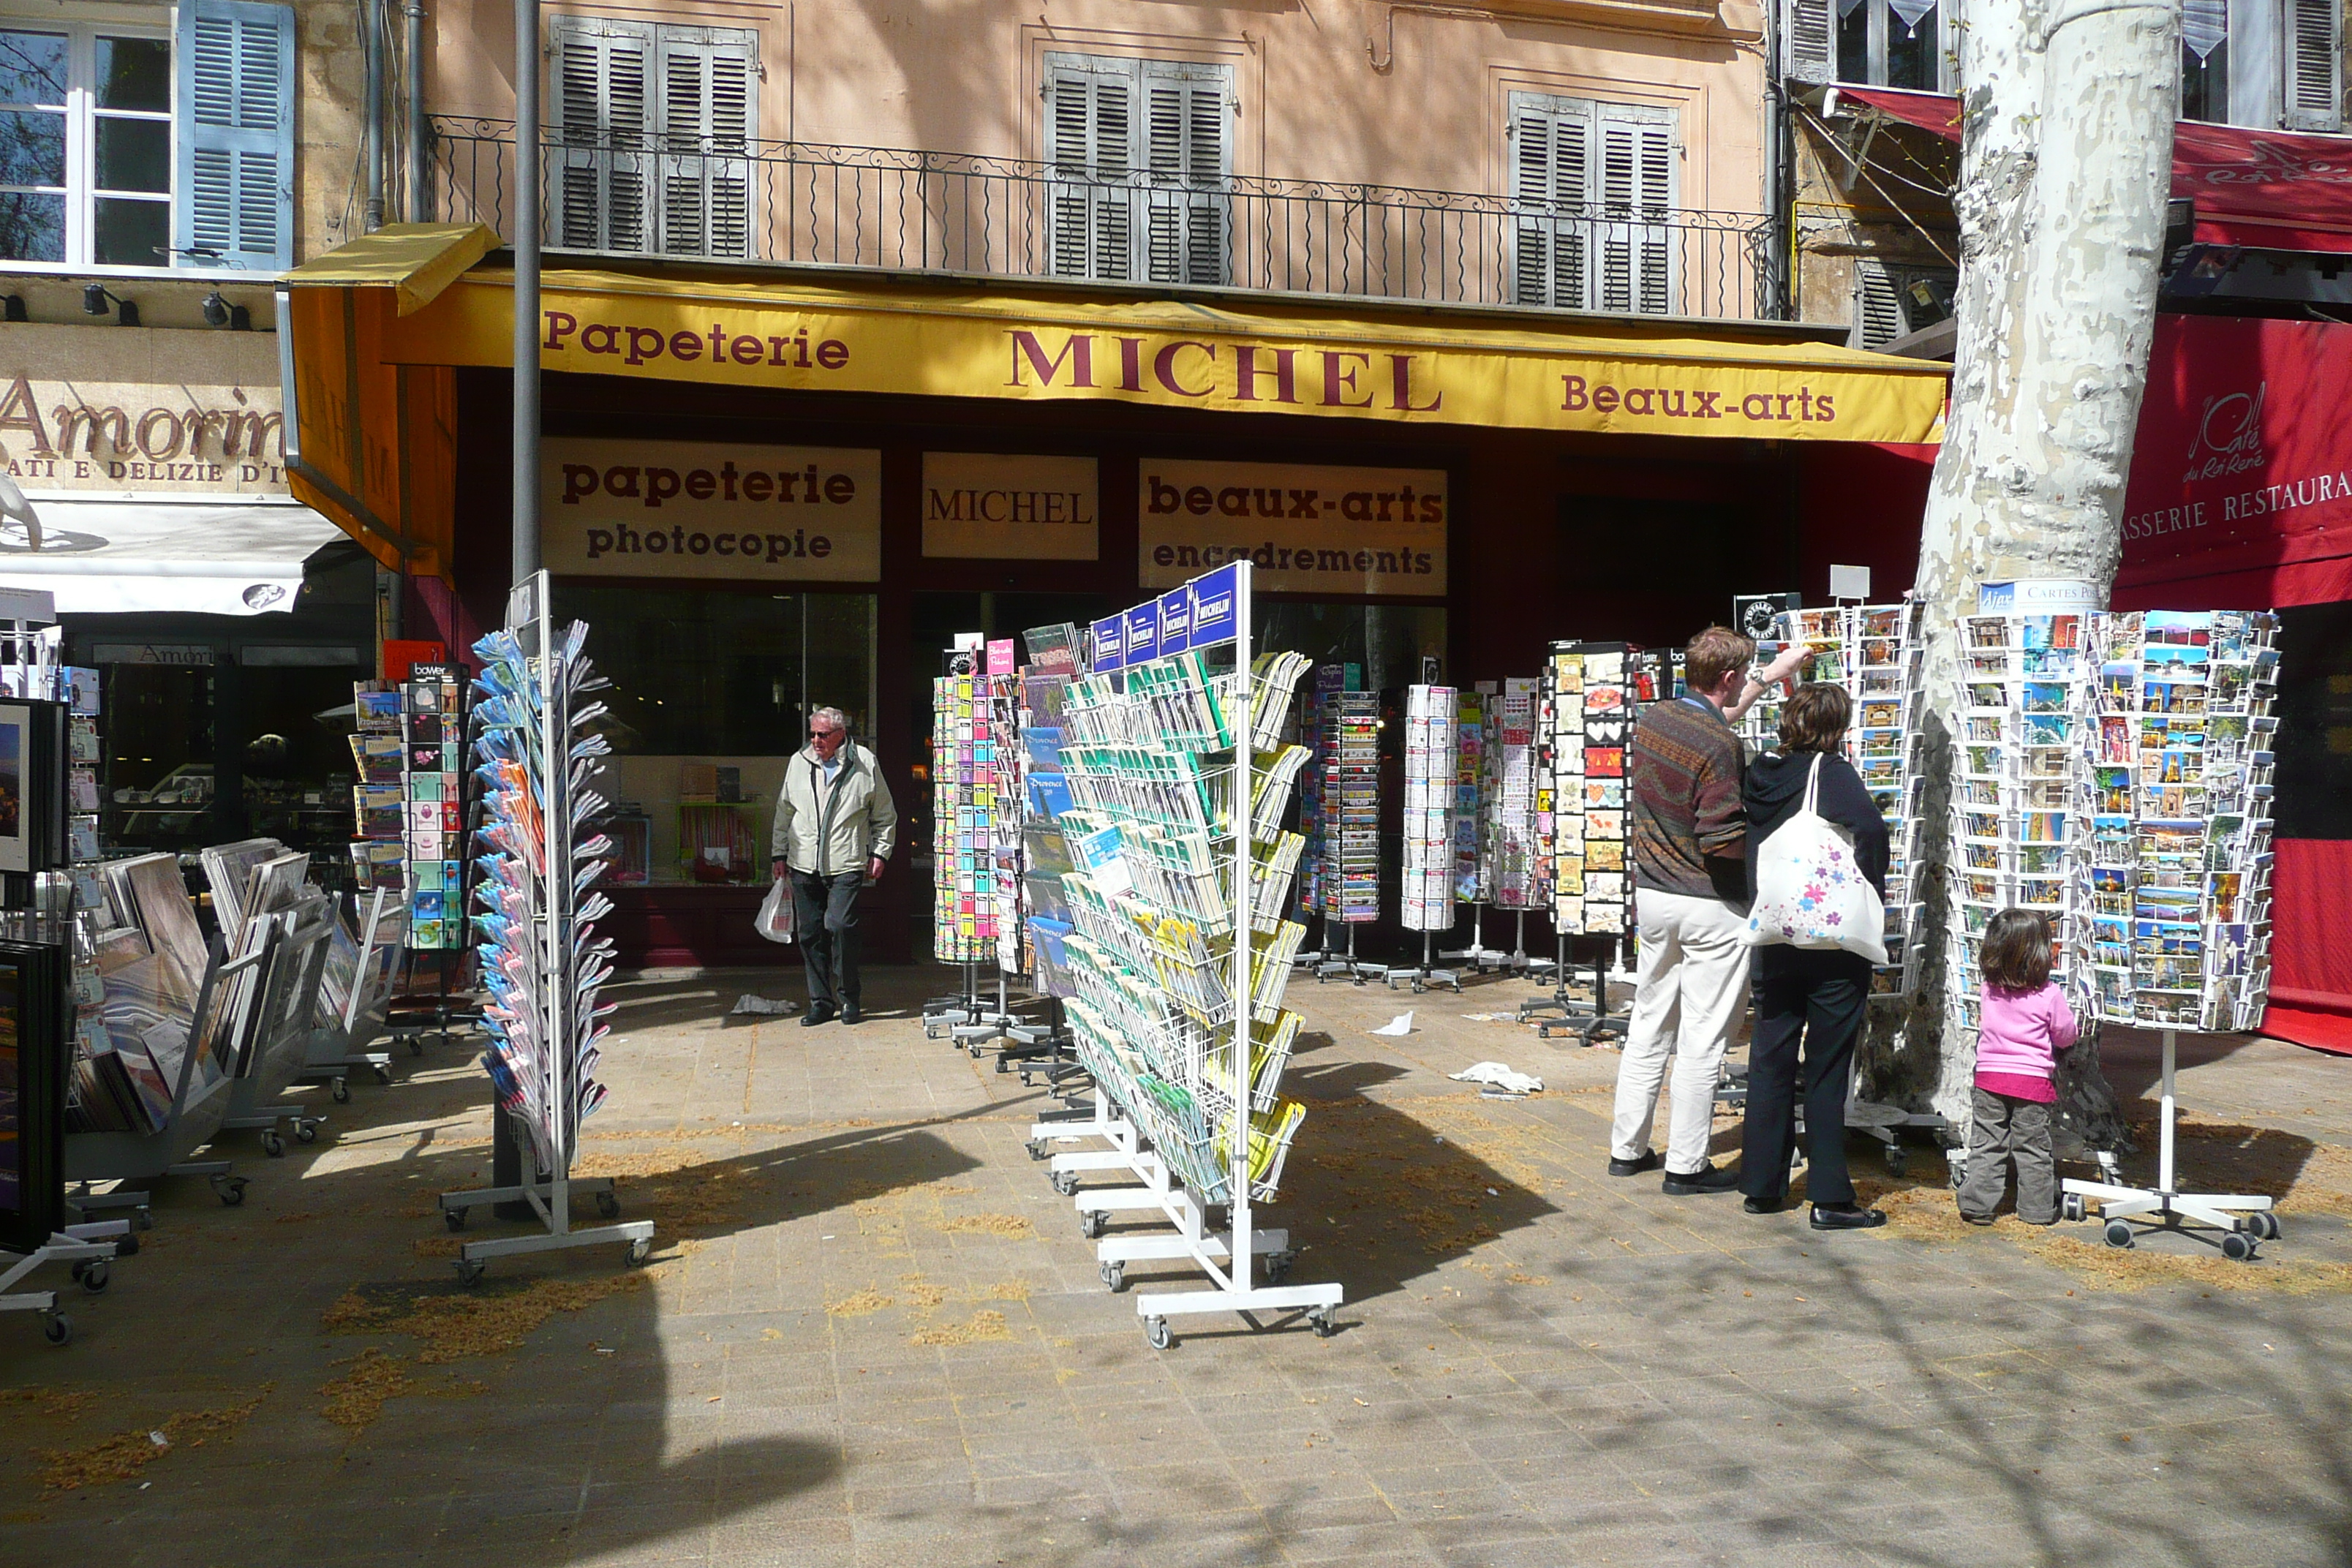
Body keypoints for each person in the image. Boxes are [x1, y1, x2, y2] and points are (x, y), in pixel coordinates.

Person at [1609, 626, 1809, 1194]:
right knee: (1703, 1039)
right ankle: (1687, 1164)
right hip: (1709, 901)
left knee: (1649, 1023)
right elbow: (1720, 835)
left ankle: (1627, 1149)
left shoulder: (1656, 718)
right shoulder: (1720, 746)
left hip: (1653, 895)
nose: (1746, 682)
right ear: (1726, 677)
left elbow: (1718, 716)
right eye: (1743, 675)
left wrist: (1769, 676)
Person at [1736, 682, 1891, 1229]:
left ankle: (1761, 1184)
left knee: (1770, 1058)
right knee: (1826, 1067)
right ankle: (1829, 1195)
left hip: (1774, 932)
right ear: (1837, 727)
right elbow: (1870, 828)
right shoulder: (1831, 771)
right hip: (1829, 942)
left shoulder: (1761, 772)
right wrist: (1868, 883)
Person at [769, 706, 897, 1027]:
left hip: (845, 863)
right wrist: (778, 854)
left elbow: (884, 814)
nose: (816, 740)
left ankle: (849, 998)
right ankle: (820, 1003)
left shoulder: (864, 762)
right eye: (812, 734)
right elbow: (785, 811)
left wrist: (881, 853)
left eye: (823, 735)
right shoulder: (799, 762)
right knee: (810, 935)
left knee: (840, 927)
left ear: (841, 734)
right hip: (803, 863)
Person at [1956, 908, 2078, 1225]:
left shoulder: (1988, 989)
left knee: (1986, 1143)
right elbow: (2065, 1035)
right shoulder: (2049, 995)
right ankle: (2036, 1209)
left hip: (1989, 1079)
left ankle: (1978, 1205)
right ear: (2040, 953)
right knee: (2033, 1148)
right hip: (2032, 1083)